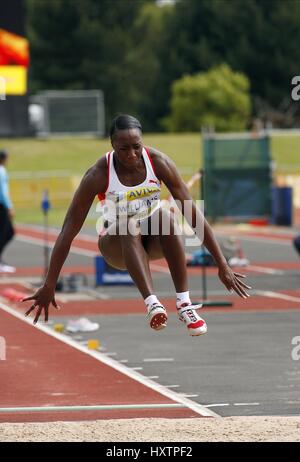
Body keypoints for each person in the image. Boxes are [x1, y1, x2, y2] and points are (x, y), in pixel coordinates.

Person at [22, 114, 251, 335]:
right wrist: (50, 283)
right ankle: (152, 304)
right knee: (130, 224)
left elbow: (193, 214)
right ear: (112, 145)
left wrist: (222, 263)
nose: (132, 155)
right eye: (124, 149)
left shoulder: (159, 162)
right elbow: (67, 232)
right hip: (116, 246)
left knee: (167, 217)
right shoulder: (98, 174)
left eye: (136, 146)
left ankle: (184, 304)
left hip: (151, 242)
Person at [0, 150, 16, 273]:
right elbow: (2, 192)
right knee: (7, 232)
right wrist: (9, 206)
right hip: (1, 206)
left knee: (7, 232)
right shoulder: (1, 171)